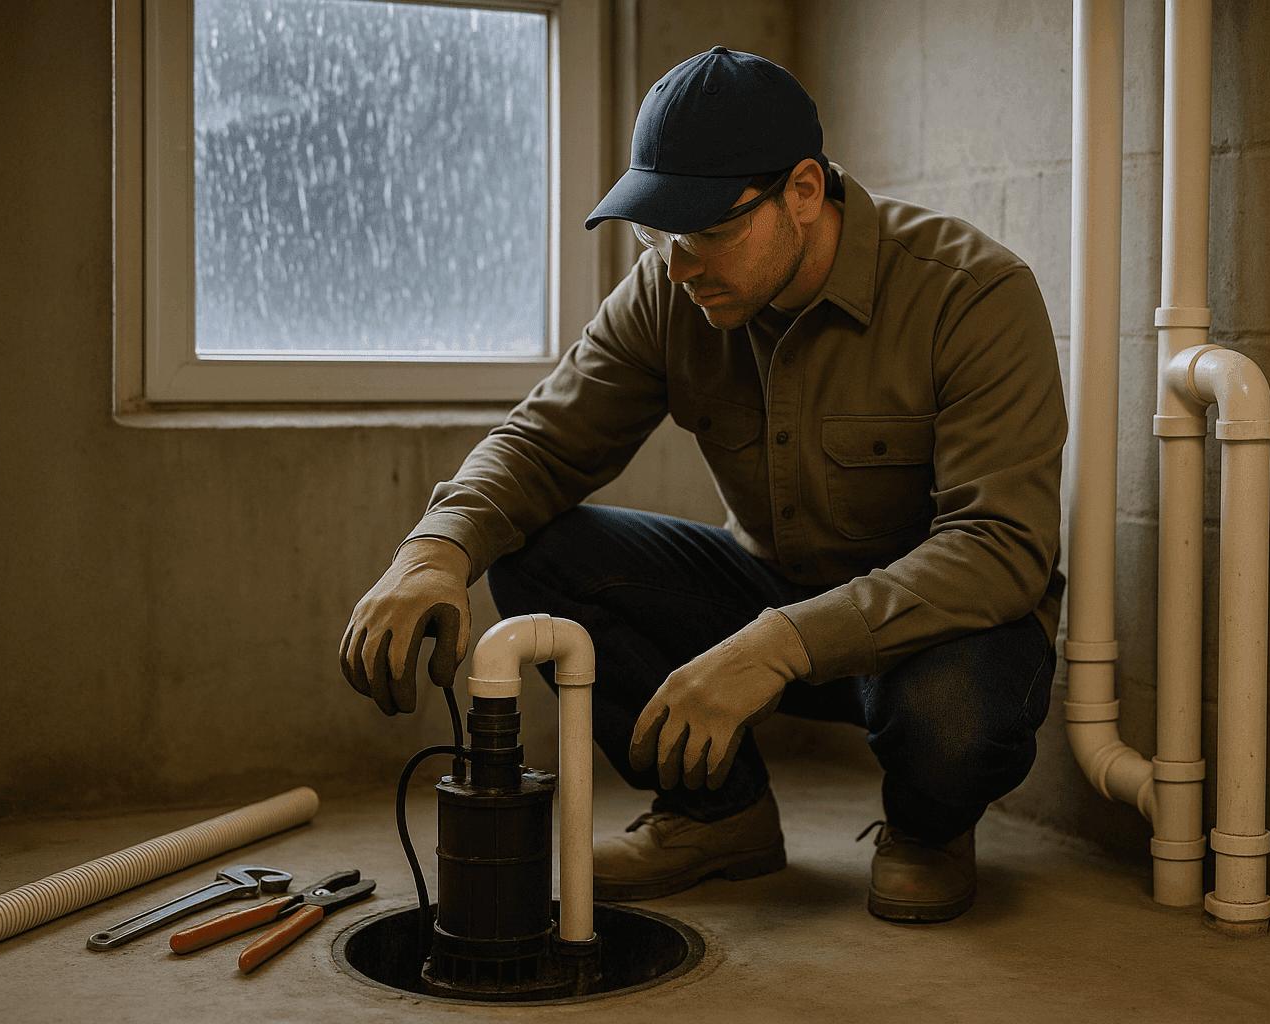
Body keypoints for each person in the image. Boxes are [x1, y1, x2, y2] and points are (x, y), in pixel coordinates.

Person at [340, 47, 1066, 923]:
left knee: (958, 717)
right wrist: (433, 550)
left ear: (804, 191)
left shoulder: (972, 295)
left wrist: (779, 644)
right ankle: (717, 813)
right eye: (657, 234)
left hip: (929, 634)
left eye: (706, 232)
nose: (677, 266)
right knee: (537, 552)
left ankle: (928, 830)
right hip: (763, 586)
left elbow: (1001, 548)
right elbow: (543, 441)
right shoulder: (670, 289)